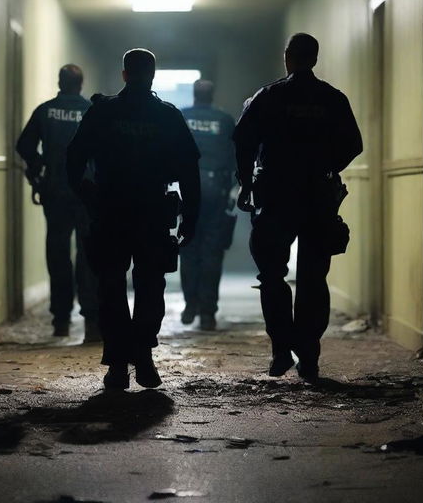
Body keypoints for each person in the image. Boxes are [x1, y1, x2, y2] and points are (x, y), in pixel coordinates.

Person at [67, 48, 200, 390]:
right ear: (152, 75)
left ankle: (117, 365)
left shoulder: (104, 112)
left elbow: (74, 159)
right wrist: (191, 216)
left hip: (111, 210)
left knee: (111, 286)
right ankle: (142, 357)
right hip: (153, 212)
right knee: (151, 285)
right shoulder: (167, 115)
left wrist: (88, 197)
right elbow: (188, 169)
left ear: (124, 74)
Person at [233, 33, 362, 382]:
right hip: (318, 196)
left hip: (276, 194)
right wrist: (327, 168)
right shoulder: (332, 98)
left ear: (288, 57)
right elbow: (354, 144)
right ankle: (309, 355)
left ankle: (280, 350)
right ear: (315, 59)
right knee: (313, 277)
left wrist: (246, 183)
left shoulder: (269, 96)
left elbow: (243, 140)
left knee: (272, 274)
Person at [16, 64, 100, 341]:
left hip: (56, 191)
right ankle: (90, 320)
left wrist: (39, 165)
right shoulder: (92, 110)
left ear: (59, 82)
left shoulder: (46, 110)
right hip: (87, 193)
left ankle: (61, 320)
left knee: (58, 253)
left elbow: (24, 145)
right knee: (89, 255)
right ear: (81, 83)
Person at [180, 79, 236, 330]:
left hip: (187, 191)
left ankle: (191, 303)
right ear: (212, 96)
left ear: (194, 95)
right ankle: (207, 313)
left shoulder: (182, 117)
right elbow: (237, 155)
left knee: (189, 249)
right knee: (212, 252)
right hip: (217, 190)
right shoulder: (224, 120)